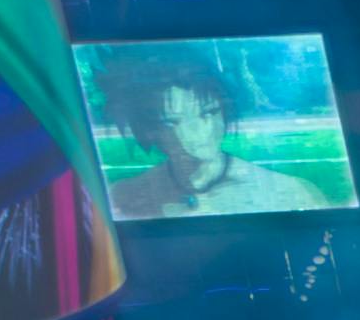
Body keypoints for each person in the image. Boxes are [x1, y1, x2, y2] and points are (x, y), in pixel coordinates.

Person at [96, 61, 333, 220]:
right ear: (149, 130)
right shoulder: (121, 197)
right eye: (174, 121)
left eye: (208, 112)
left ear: (223, 111)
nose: (199, 131)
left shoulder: (292, 192)